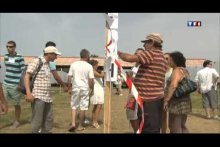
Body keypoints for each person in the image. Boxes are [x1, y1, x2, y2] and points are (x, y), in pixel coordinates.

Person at [118, 33, 167, 133]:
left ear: (152, 42)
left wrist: (117, 53)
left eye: (145, 43)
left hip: (149, 99)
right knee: (153, 126)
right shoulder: (161, 56)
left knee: (149, 128)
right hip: (156, 98)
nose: (144, 46)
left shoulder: (151, 53)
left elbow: (129, 58)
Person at [24, 46, 62, 133]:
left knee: (48, 119)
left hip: (47, 97)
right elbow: (27, 76)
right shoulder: (37, 61)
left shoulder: (48, 64)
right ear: (49, 54)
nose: (56, 57)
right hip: (38, 96)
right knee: (37, 120)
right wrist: (28, 93)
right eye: (55, 55)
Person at [163, 51, 192, 133]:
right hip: (185, 101)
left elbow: (173, 85)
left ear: (175, 61)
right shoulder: (184, 70)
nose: (169, 62)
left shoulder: (176, 70)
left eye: (170, 60)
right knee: (182, 126)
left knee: (174, 127)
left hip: (177, 103)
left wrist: (166, 100)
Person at [67, 49, 94, 132]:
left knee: (74, 106)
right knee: (83, 107)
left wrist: (69, 88)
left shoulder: (73, 64)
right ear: (87, 56)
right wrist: (91, 88)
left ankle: (73, 123)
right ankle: (80, 126)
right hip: (84, 88)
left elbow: (69, 77)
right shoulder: (89, 66)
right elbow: (91, 79)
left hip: (75, 87)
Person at [2, 40, 25, 128]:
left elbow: (23, 71)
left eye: (10, 47)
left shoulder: (19, 57)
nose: (8, 48)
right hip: (5, 84)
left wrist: (20, 84)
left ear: (14, 47)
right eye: (7, 46)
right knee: (2, 102)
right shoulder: (6, 57)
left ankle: (17, 121)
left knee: (16, 104)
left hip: (15, 85)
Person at [125, 48, 144, 133]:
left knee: (135, 115)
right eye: (136, 53)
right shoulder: (135, 66)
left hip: (139, 94)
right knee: (131, 115)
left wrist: (132, 78)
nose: (137, 55)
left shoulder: (143, 66)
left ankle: (138, 131)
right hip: (132, 94)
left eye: (139, 54)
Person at [88, 59, 105, 128]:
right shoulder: (92, 71)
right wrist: (104, 71)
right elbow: (101, 76)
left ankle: (93, 121)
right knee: (98, 106)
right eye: (96, 65)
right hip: (97, 91)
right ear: (93, 65)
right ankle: (95, 122)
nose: (97, 66)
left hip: (99, 90)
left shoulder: (94, 71)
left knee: (96, 107)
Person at [161, 52, 173, 133]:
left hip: (171, 96)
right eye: (163, 58)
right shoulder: (160, 70)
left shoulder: (174, 70)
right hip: (161, 96)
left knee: (172, 118)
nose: (165, 60)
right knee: (163, 117)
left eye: (167, 58)